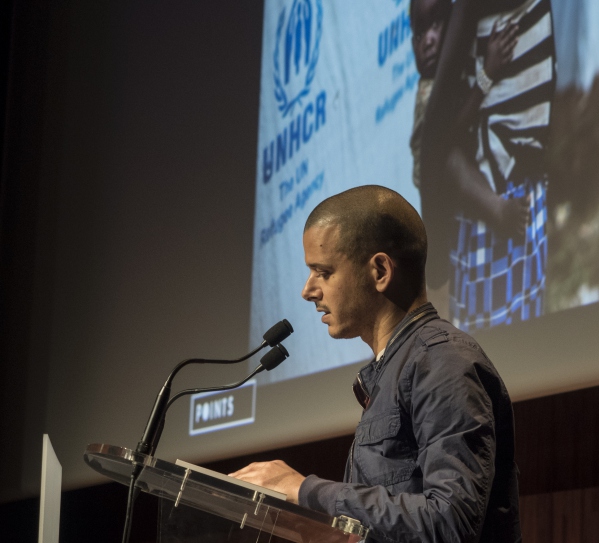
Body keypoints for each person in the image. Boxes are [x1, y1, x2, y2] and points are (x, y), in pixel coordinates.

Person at [230, 185, 522, 543]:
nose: (308, 290)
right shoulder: (397, 366)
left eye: (323, 271)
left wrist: (304, 489)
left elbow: (450, 523)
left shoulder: (443, 363)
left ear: (380, 270)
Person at [419, 0, 554, 332]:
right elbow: (437, 145)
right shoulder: (465, 17)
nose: (430, 38)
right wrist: (485, 77)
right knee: (490, 343)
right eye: (422, 30)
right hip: (493, 197)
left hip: (522, 188)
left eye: (438, 25)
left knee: (524, 325)